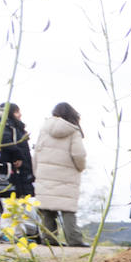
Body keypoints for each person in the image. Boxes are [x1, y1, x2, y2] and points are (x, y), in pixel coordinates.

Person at [32, 102, 86, 246]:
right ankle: (74, 240)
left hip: (44, 174)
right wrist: (80, 168)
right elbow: (78, 155)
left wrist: (36, 172)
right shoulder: (74, 131)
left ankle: (48, 239)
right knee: (67, 209)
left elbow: (36, 152)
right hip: (66, 176)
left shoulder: (44, 129)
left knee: (46, 209)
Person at [0, 103, 35, 216]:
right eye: (17, 112)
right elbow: (5, 142)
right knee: (11, 209)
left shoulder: (16, 127)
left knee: (19, 209)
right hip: (13, 171)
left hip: (22, 172)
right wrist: (17, 156)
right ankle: (6, 233)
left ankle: (14, 233)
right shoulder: (6, 125)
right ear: (10, 113)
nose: (20, 115)